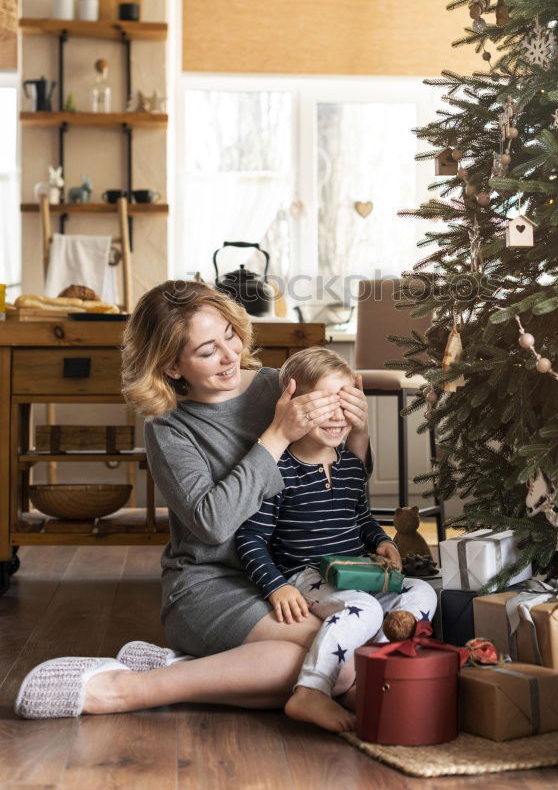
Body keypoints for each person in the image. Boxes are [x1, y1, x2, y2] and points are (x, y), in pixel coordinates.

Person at [14, 280, 373, 719]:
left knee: (355, 662)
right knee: (341, 667)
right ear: (171, 367)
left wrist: (358, 434)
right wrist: (277, 435)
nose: (229, 356)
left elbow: (336, 494)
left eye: (229, 335)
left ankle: (184, 668)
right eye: (206, 351)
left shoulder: (279, 387)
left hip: (291, 580)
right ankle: (129, 689)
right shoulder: (169, 427)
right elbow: (213, 525)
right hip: (212, 585)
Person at [236, 347, 437, 732]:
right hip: (307, 576)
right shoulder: (276, 469)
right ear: (292, 406)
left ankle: (381, 666)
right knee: (364, 607)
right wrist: (276, 587)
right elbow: (250, 538)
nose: (336, 416)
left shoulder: (348, 465)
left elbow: (361, 517)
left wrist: (383, 541)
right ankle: (311, 689)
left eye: (345, 403)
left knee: (423, 592)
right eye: (322, 404)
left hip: (359, 573)